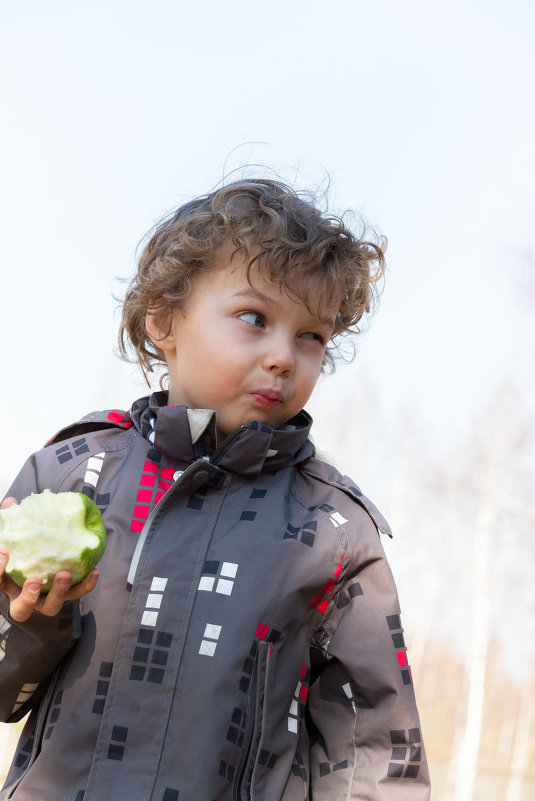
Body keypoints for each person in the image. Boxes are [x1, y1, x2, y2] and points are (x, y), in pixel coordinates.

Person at [0, 178, 430, 800]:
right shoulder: (70, 476)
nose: (285, 356)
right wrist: (33, 623)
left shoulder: (333, 528)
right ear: (164, 319)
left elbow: (373, 748)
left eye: (312, 335)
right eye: (254, 318)